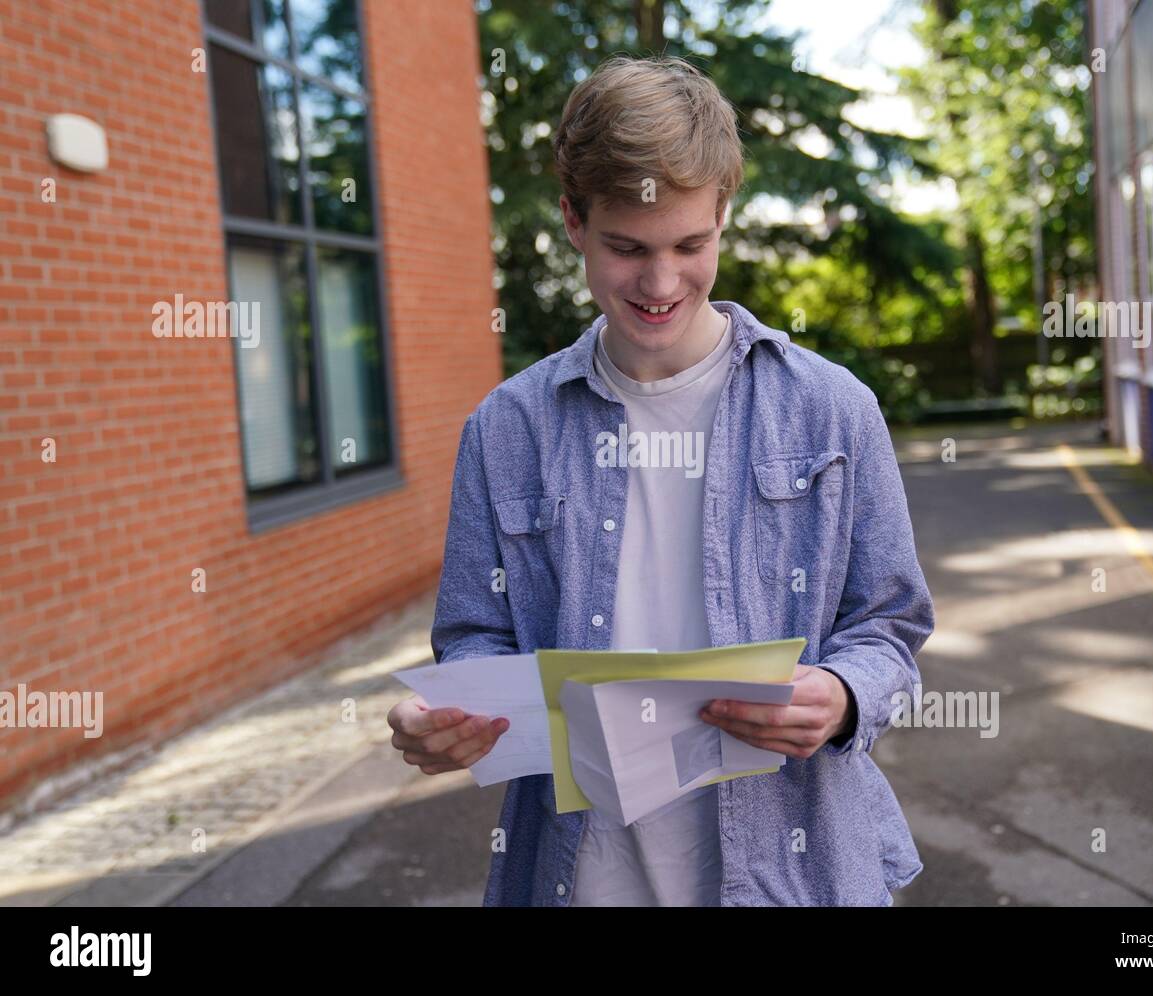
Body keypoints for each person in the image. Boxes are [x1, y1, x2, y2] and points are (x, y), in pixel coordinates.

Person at [387, 54, 935, 907]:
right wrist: (449, 722)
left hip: (795, 873)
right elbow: (472, 635)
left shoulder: (833, 410)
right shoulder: (506, 429)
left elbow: (890, 627)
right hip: (581, 876)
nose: (660, 283)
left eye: (692, 244)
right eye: (626, 248)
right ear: (573, 219)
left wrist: (843, 694)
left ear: (726, 214)